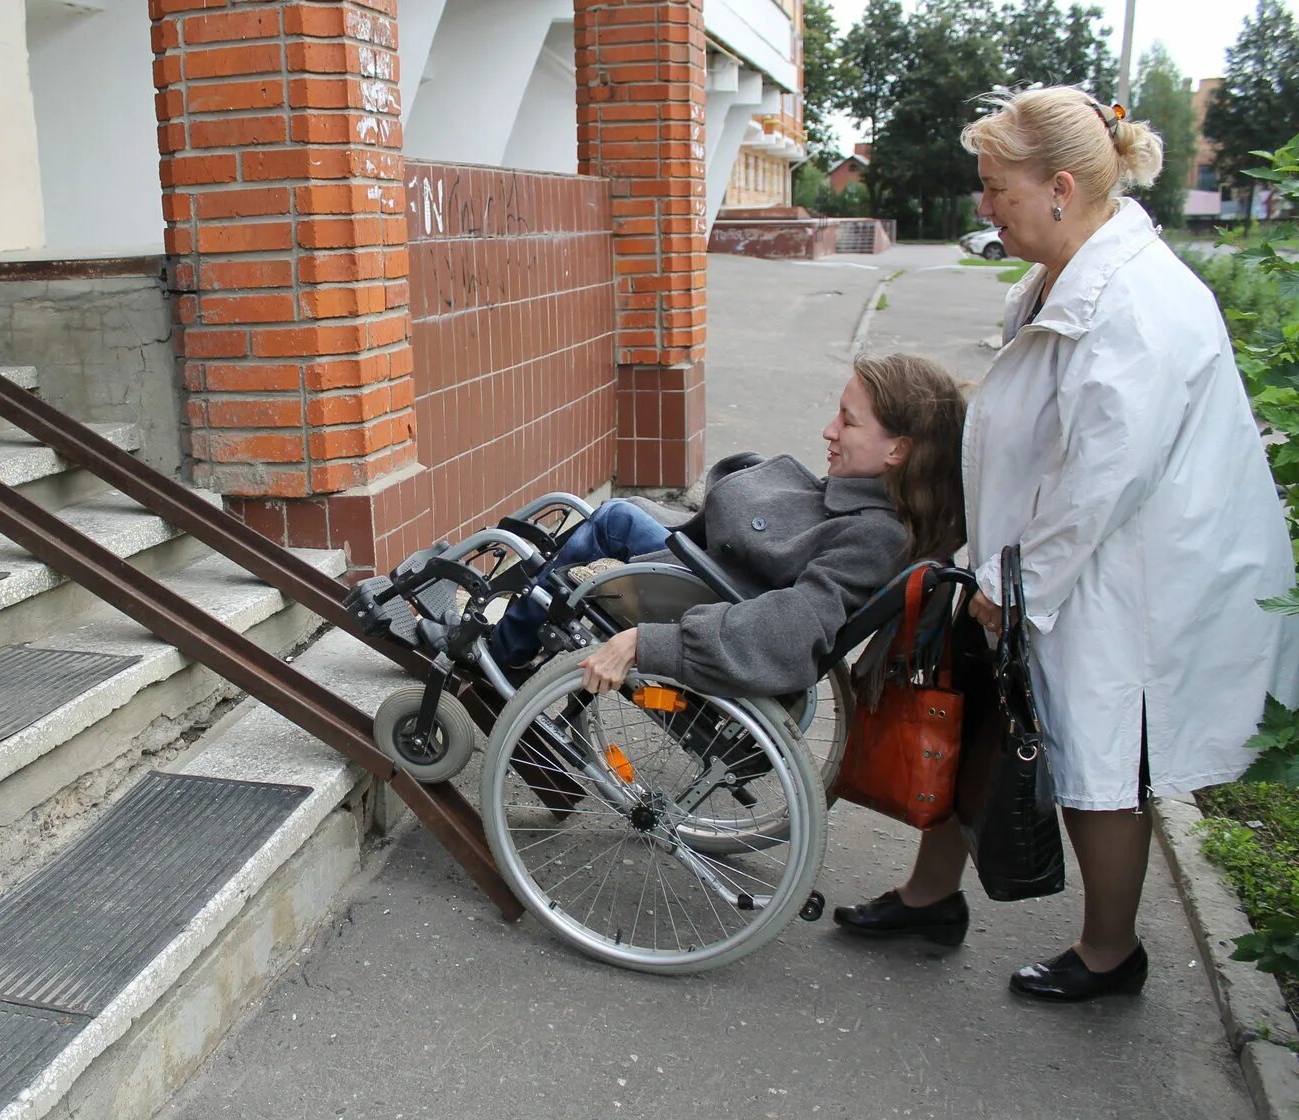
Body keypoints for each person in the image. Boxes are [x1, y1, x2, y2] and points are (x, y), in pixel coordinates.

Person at [834, 86, 1299, 1002]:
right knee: (989, 721)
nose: (983, 205)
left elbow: (1104, 477)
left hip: (1124, 576)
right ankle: (933, 897)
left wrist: (1019, 585)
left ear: (1057, 186)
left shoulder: (1136, 305)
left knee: (1097, 758)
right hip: (1055, 560)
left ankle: (1109, 952)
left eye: (993, 186)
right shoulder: (1069, 271)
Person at [486, 353, 968, 701]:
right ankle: (519, 621)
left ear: (897, 452)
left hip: (718, 600)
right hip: (728, 576)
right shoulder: (874, 506)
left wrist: (646, 641)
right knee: (619, 515)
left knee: (614, 519)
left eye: (849, 422)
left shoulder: (875, 535)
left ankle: (501, 654)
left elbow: (792, 626)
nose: (829, 430)